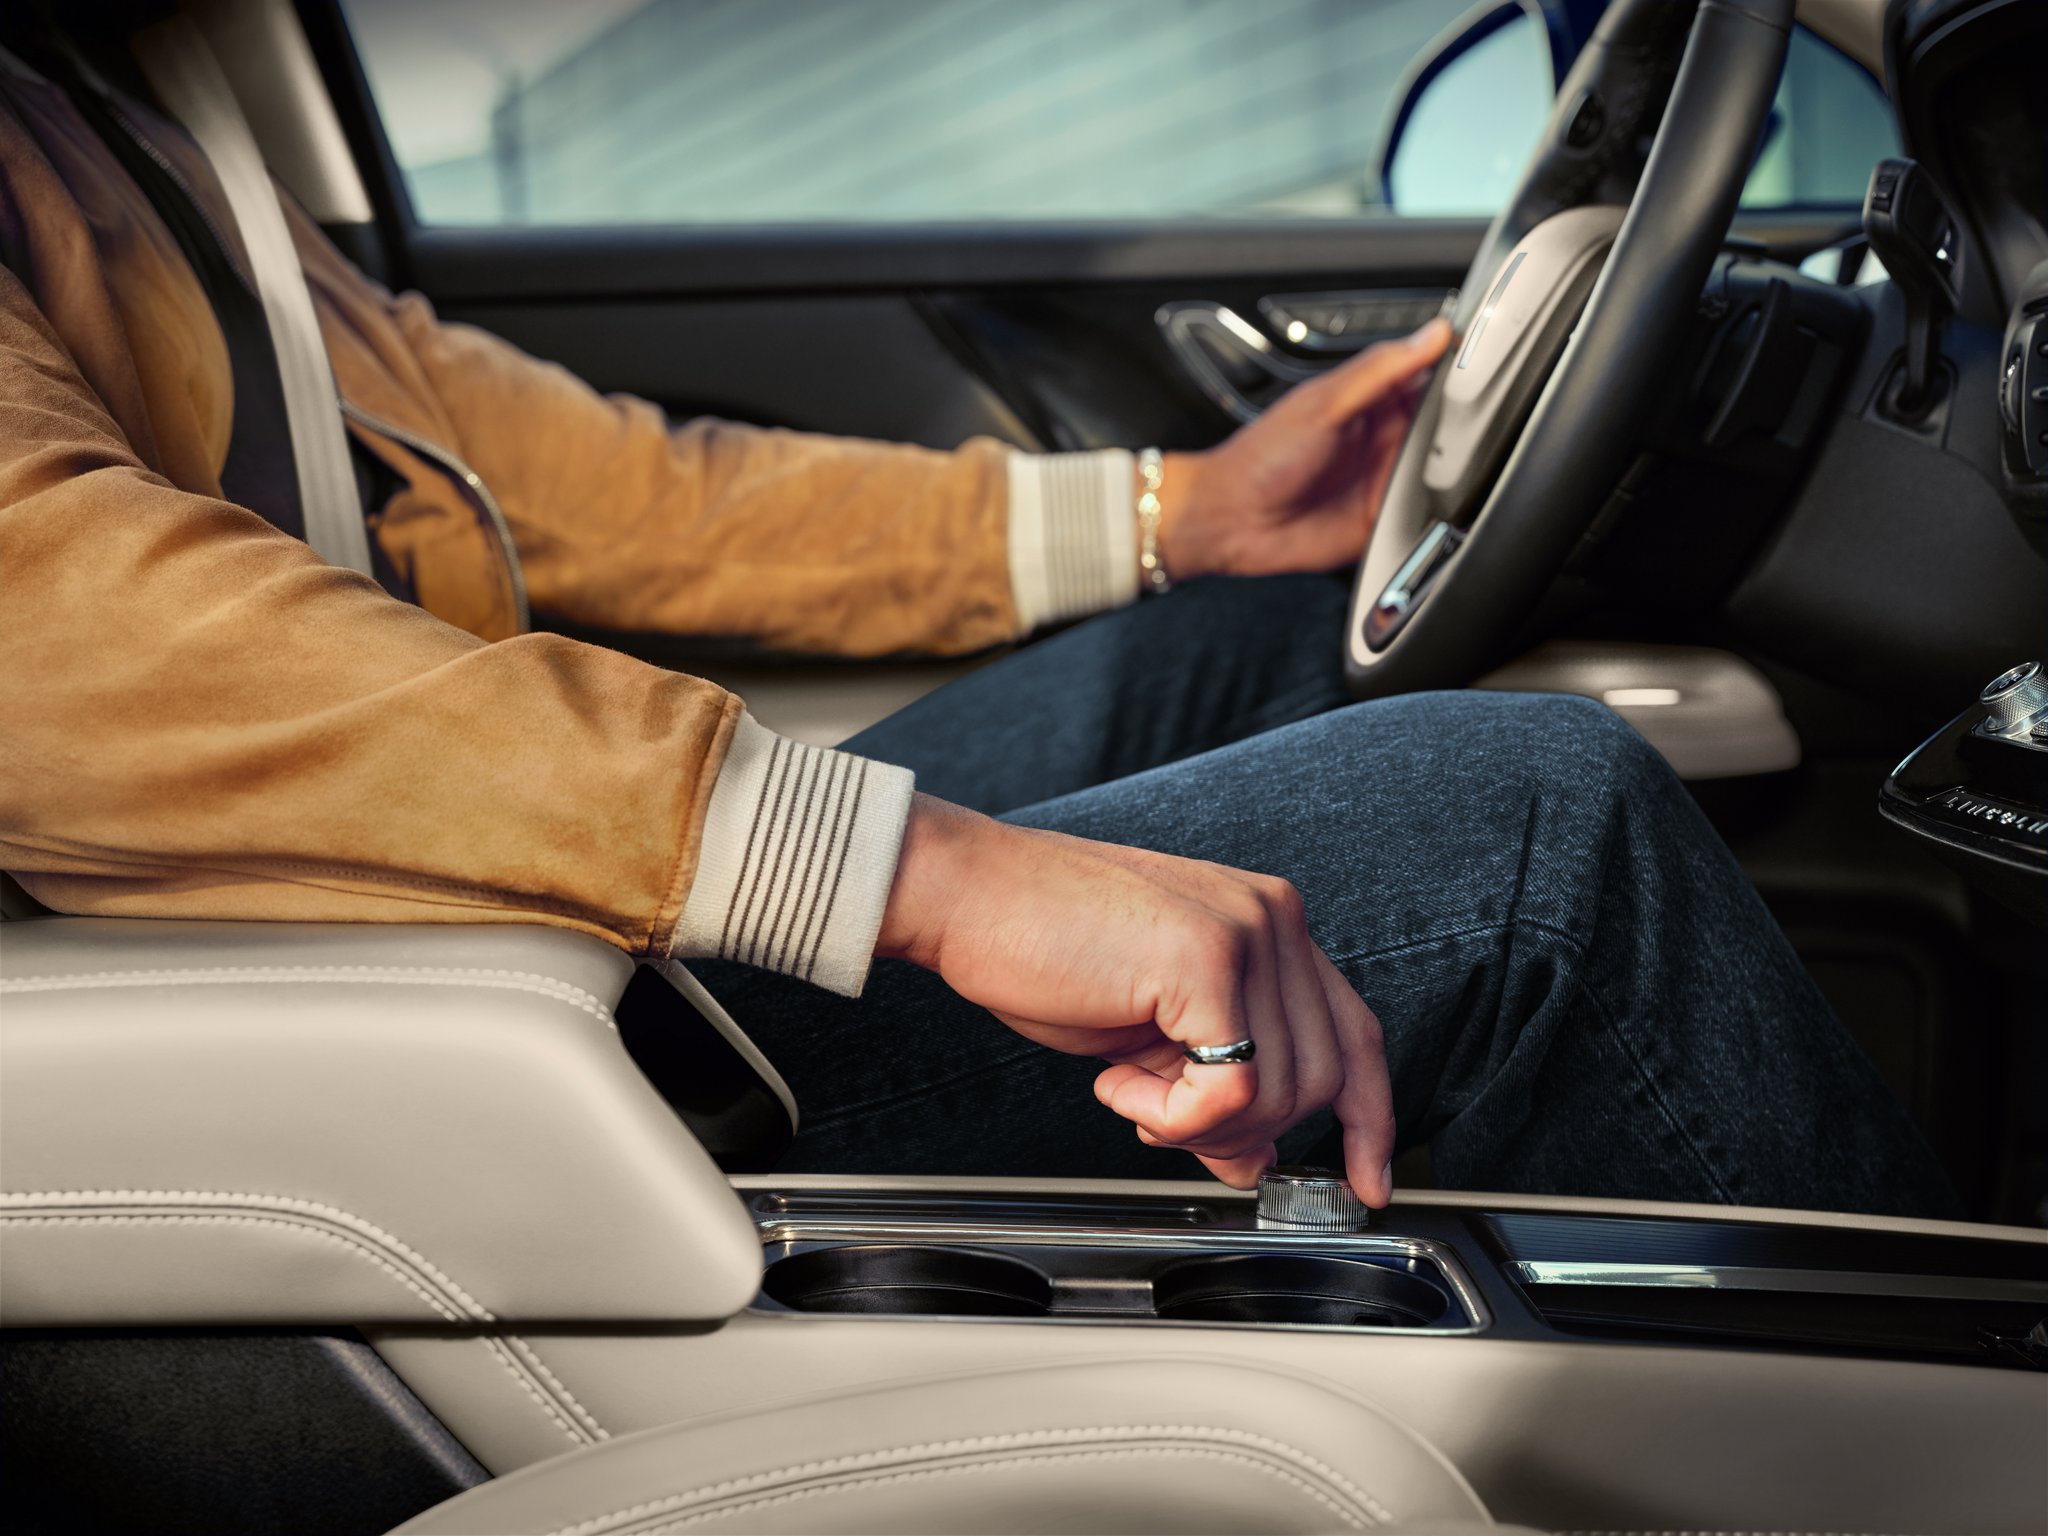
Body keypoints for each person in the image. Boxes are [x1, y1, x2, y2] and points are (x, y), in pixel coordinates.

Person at [0, 26, 1955, 1218]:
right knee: (1536, 826)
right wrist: (923, 875)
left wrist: (1176, 514)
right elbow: (59, 639)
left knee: (1267, 616)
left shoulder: (85, 109)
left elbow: (584, 480)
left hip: (488, 908)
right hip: (403, 1031)